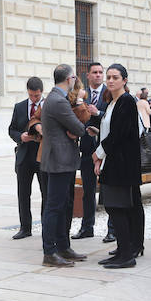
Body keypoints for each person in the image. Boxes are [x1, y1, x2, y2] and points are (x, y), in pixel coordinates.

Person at [92, 64, 143, 269]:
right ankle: (122, 250)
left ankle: (127, 255)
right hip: (112, 162)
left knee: (118, 207)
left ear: (124, 80)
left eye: (115, 77)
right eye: (109, 77)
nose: (111, 80)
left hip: (122, 164)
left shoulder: (127, 102)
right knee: (113, 207)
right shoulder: (113, 102)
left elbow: (119, 135)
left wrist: (98, 154)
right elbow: (108, 132)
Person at [39, 64, 88, 268]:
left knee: (64, 205)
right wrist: (78, 129)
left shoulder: (55, 98)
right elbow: (78, 127)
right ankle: (49, 252)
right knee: (55, 207)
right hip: (59, 161)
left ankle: (63, 246)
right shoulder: (58, 101)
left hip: (62, 160)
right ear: (70, 79)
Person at [8, 77, 45, 240]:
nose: (34, 99)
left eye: (36, 96)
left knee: (46, 192)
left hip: (42, 156)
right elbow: (11, 129)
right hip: (24, 156)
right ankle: (25, 227)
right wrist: (20, 137)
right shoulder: (20, 107)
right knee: (23, 194)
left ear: (41, 92)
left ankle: (47, 226)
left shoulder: (48, 107)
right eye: (31, 95)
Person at [73, 63, 105, 241]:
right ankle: (87, 227)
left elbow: (112, 116)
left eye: (101, 72)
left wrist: (98, 112)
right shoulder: (80, 95)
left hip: (106, 149)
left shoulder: (109, 93)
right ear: (88, 75)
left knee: (108, 190)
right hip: (86, 149)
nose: (98, 75)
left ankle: (112, 230)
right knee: (88, 190)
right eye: (95, 73)